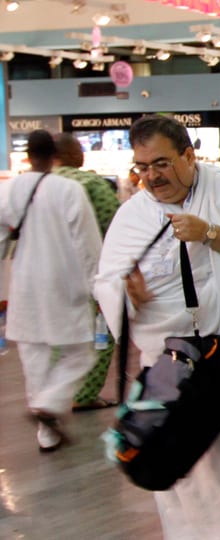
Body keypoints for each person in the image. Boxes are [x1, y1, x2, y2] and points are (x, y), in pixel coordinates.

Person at [94, 115, 220, 538]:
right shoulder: (133, 215)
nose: (151, 176)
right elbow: (106, 279)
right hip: (170, 366)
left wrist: (213, 234)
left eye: (161, 164)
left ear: (188, 155)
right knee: (183, 472)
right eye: (142, 167)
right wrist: (123, 292)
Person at [0, 129, 102, 452]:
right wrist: (98, 285)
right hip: (64, 282)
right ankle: (49, 406)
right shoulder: (69, 190)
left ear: (27, 156)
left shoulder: (9, 190)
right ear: (55, 155)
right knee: (80, 353)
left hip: (25, 284)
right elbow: (87, 244)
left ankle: (47, 432)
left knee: (35, 359)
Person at [51, 132, 121, 412]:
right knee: (101, 335)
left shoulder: (38, 185)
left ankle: (57, 391)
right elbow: (116, 226)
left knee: (57, 335)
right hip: (88, 275)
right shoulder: (90, 183)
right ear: (72, 154)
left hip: (48, 276)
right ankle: (85, 394)